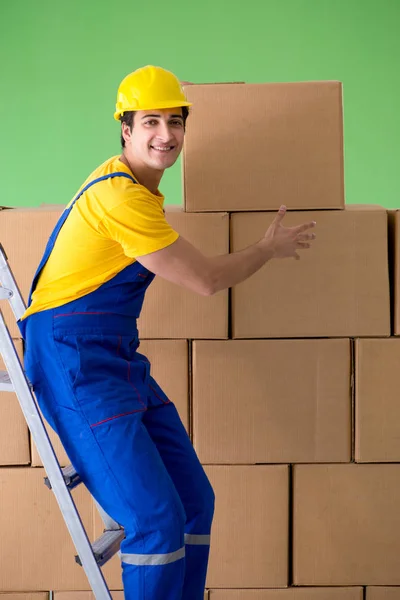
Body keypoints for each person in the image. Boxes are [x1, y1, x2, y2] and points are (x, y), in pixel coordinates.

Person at [17, 65, 316, 600]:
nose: (165, 134)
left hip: (114, 357)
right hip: (74, 361)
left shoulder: (135, 189)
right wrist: (266, 249)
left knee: (194, 499)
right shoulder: (122, 199)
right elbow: (205, 280)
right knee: (155, 518)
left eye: (175, 122)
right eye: (150, 121)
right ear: (125, 130)